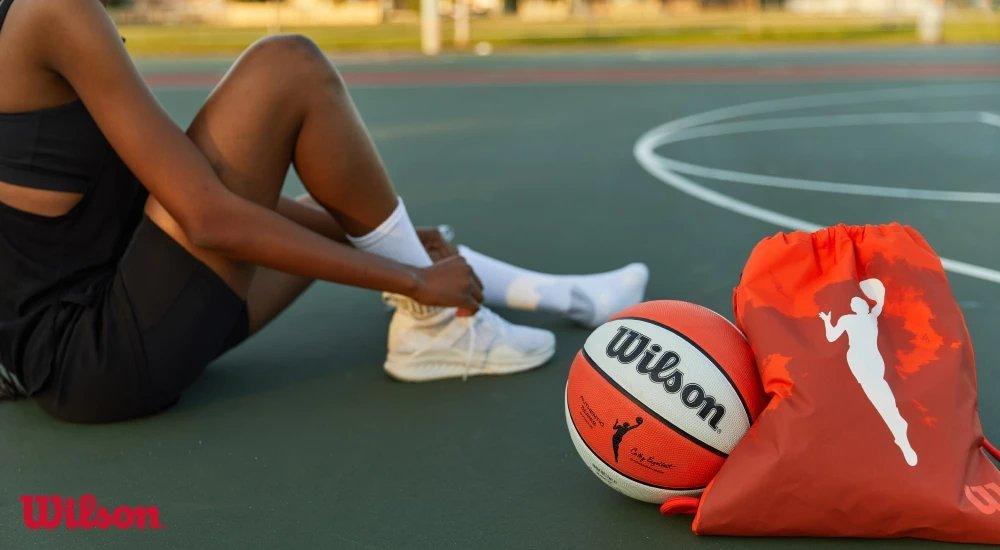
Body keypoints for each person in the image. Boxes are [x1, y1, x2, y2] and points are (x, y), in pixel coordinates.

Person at [0, 0, 647, 421]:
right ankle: (436, 326)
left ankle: (565, 297)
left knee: (349, 214)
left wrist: (383, 242)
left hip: (102, 329)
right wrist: (411, 278)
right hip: (109, 355)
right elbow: (206, 218)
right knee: (287, 67)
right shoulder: (52, 12)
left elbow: (180, 193)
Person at [819, 279, 917, 466]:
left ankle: (897, 428)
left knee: (880, 395)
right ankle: (897, 429)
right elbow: (831, 337)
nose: (861, 304)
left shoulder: (859, 317)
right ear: (855, 307)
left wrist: (827, 321)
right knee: (879, 396)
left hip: (869, 361)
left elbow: (831, 337)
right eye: (858, 303)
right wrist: (826, 321)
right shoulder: (861, 318)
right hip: (862, 361)